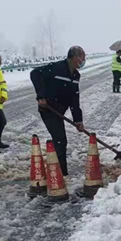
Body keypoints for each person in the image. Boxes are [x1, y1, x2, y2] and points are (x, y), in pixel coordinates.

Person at [30, 46, 86, 176]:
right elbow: (35, 74)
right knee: (60, 139)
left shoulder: (76, 75)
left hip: (60, 110)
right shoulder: (56, 68)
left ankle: (58, 170)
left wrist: (78, 120)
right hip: (48, 109)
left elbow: (74, 99)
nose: (84, 60)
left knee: (60, 140)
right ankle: (60, 173)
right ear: (75, 57)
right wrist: (41, 96)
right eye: (83, 57)